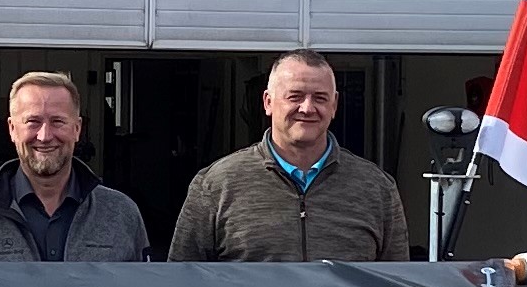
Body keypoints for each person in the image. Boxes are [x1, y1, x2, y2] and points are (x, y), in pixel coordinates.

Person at [168, 51, 413, 261]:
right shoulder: (216, 185)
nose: (307, 108)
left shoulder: (377, 188)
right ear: (268, 102)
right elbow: (180, 283)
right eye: (295, 96)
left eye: (320, 98)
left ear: (334, 105)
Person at [0, 69, 152, 262]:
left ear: (77, 129)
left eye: (58, 121)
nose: (45, 136)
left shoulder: (122, 212)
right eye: (33, 122)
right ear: (12, 129)